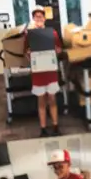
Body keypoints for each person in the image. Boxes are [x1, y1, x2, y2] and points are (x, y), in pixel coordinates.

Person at [23, 7, 64, 137]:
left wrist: (58, 50)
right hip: (38, 72)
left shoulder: (53, 33)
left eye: (41, 16)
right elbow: (26, 53)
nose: (39, 19)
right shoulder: (29, 35)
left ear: (44, 18)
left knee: (52, 99)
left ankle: (56, 126)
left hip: (50, 71)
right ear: (33, 19)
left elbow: (59, 50)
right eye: (36, 17)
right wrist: (28, 53)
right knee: (41, 101)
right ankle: (43, 129)